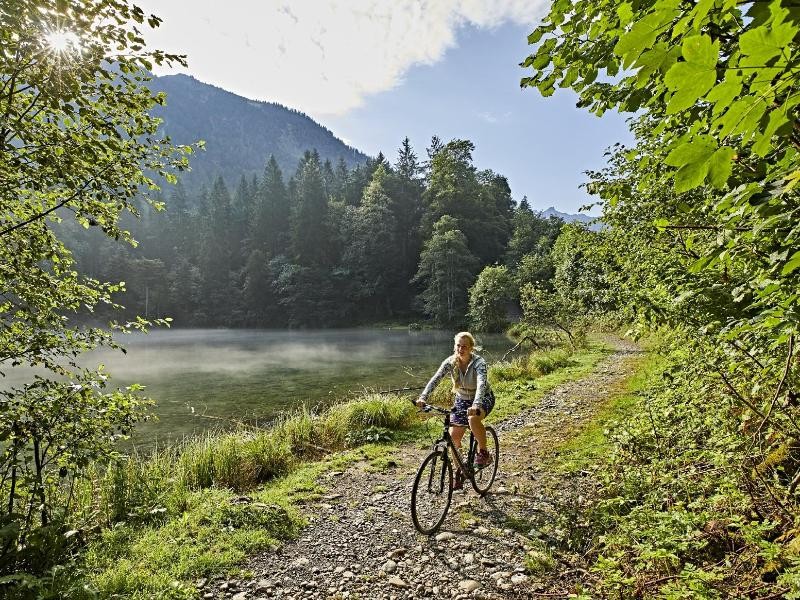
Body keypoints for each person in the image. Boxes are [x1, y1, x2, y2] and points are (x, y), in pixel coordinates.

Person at [417, 331, 496, 489]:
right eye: (458, 346)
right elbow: (436, 378)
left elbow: (481, 384)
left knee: (473, 419)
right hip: (461, 399)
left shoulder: (479, 363)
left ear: (471, 348)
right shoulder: (450, 362)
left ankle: (484, 453)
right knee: (453, 438)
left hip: (482, 397)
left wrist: (476, 404)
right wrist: (423, 397)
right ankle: (460, 470)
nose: (461, 349)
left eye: (464, 346)